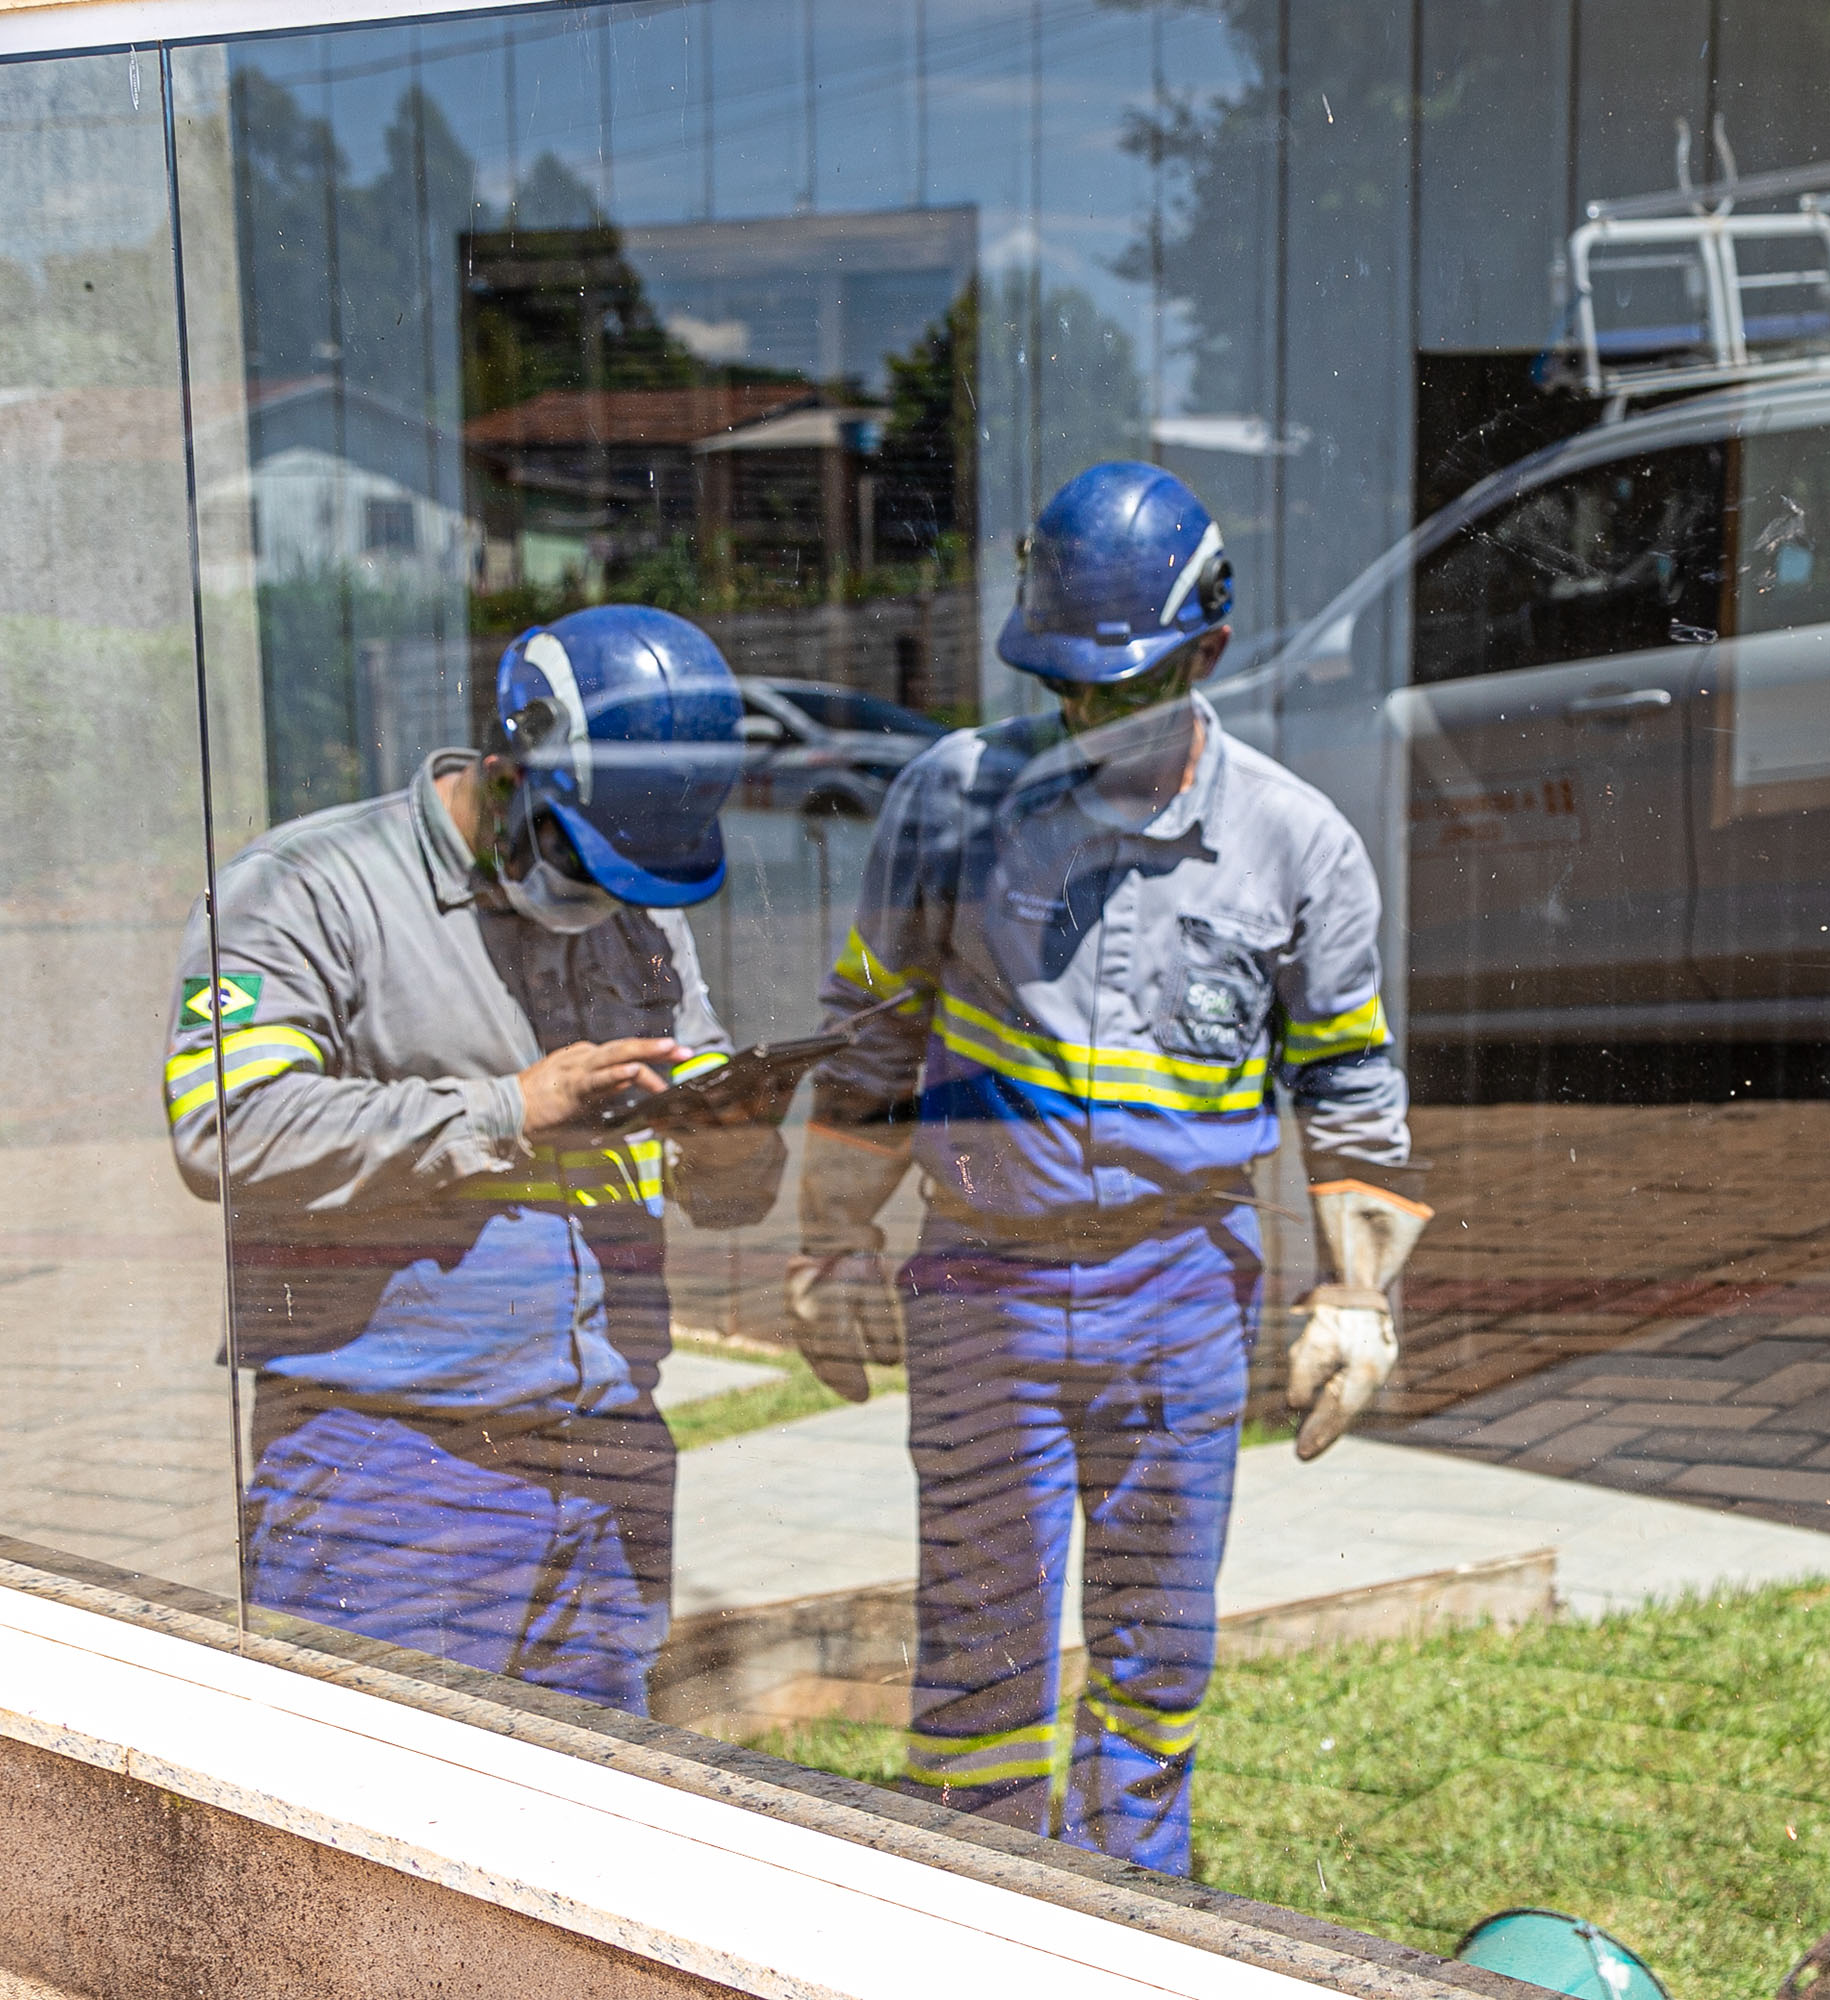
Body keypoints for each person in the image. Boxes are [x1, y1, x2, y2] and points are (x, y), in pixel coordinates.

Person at [786, 461, 1431, 1873]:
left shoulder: (1295, 844)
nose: (1085, 716)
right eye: (1064, 685)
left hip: (1179, 1292)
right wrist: (831, 1241)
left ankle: (1132, 1908)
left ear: (1207, 653)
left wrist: (1358, 1295)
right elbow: (873, 1041)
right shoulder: (950, 802)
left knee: (1156, 1644)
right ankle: (967, 1920)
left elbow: (1349, 1083)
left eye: (1119, 687)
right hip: (979, 1288)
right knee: (977, 1656)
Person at [163, 605, 787, 1715]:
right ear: (506, 769)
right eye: (574, 857)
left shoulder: (636, 908)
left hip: (608, 1452)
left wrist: (734, 1146)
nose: (597, 903)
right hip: (393, 1468)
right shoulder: (305, 887)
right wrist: (510, 1107)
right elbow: (227, 1122)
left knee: (592, 1836)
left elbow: (716, 1188)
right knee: (367, 1836)